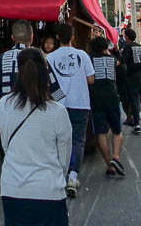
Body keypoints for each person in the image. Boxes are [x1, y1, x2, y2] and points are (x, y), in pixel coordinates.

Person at [0, 48, 72, 226]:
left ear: (18, 73)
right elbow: (64, 157)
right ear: (45, 74)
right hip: (48, 190)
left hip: (12, 189)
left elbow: (6, 145)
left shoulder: (4, 105)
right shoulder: (58, 111)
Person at [0, 20, 66, 134]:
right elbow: (54, 91)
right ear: (32, 37)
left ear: (12, 37)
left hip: (9, 115)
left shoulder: (3, 59)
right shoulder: (39, 57)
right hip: (37, 115)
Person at [46, 23, 94, 198]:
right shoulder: (82, 55)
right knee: (78, 140)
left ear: (57, 37)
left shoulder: (50, 58)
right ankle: (73, 177)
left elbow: (46, 82)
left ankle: (60, 175)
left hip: (57, 104)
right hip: (80, 103)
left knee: (57, 140)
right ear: (72, 37)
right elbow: (91, 79)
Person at [88, 37, 125, 179]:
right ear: (105, 48)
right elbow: (119, 61)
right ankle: (116, 157)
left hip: (96, 99)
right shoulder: (112, 59)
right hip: (112, 96)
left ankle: (110, 166)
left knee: (101, 133)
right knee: (117, 130)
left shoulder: (89, 58)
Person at [121, 28, 141, 133]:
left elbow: (123, 60)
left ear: (127, 37)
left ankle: (137, 124)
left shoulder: (128, 46)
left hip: (133, 76)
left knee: (134, 101)